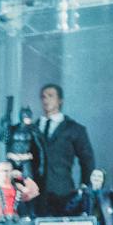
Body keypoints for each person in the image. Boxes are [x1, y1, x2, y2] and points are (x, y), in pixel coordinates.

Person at [32, 83, 95, 217]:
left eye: (50, 96)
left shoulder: (74, 129)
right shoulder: (33, 128)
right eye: (43, 97)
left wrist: (85, 188)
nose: (46, 100)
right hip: (36, 193)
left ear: (60, 100)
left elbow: (87, 160)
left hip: (63, 192)